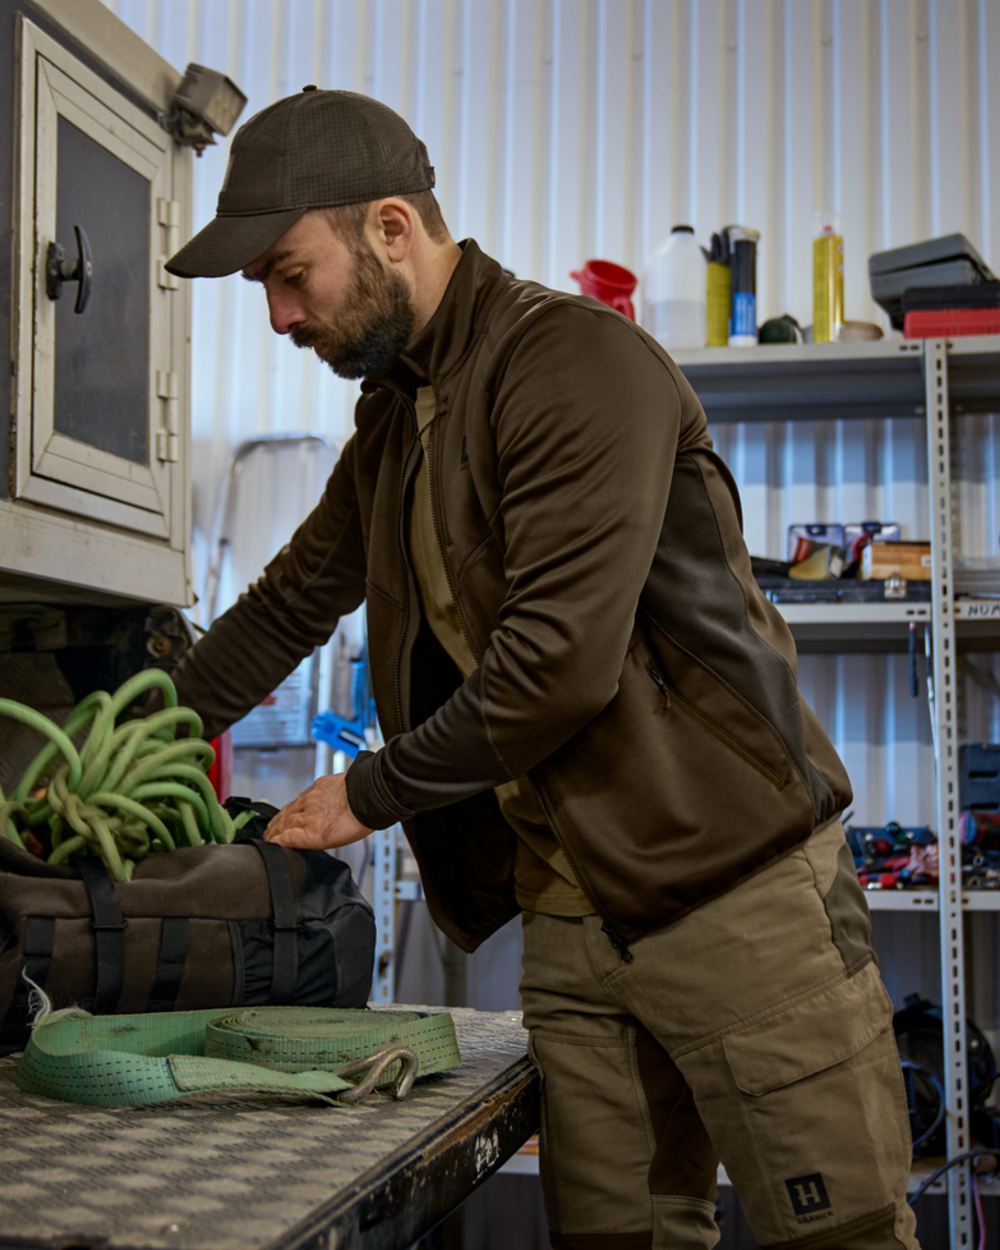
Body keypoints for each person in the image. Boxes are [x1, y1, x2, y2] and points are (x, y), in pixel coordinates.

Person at [164, 87, 921, 1250]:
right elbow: (285, 605)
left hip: (737, 898)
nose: (275, 313)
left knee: (841, 1235)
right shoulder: (396, 420)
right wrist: (138, 746)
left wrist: (361, 793)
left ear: (389, 228)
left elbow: (557, 666)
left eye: (286, 271)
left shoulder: (569, 361)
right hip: (571, 919)